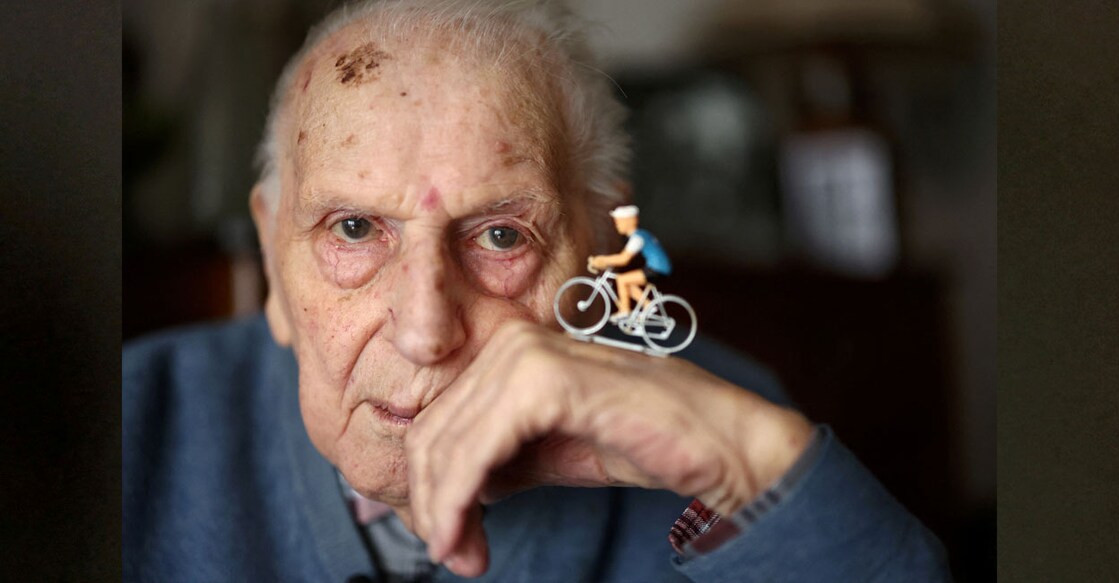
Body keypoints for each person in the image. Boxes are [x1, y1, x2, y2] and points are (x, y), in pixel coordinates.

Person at [123, 1, 951, 581]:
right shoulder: (124, 431)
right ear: (271, 258)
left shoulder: (723, 427)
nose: (424, 328)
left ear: (596, 250)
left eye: (501, 235)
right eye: (352, 230)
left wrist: (747, 461)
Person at [588, 205, 671, 321]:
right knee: (628, 282)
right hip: (657, 267)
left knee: (621, 279)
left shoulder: (637, 238)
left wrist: (602, 259)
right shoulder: (641, 234)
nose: (616, 225)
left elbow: (624, 259)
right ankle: (648, 306)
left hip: (658, 269)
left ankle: (625, 311)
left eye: (618, 221)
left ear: (628, 221)